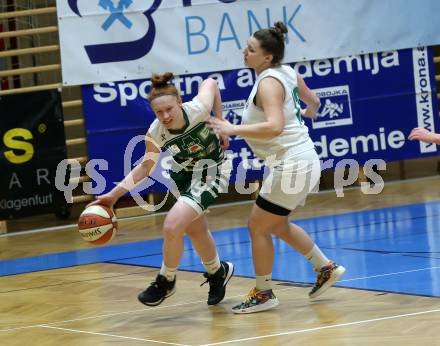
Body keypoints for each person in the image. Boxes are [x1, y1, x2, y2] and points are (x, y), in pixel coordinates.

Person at [209, 22, 345, 314]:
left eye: (251, 49)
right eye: (246, 46)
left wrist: (233, 128)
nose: (244, 52)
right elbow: (315, 101)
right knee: (277, 223)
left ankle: (264, 292)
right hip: (303, 158)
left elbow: (274, 126)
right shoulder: (287, 72)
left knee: (257, 225)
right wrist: (307, 114)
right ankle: (325, 267)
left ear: (267, 57)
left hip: (292, 163)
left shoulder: (269, 82)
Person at [91, 72, 234, 307]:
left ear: (179, 103)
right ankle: (217, 272)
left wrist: (221, 125)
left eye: (170, 109)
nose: (165, 116)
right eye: (159, 112)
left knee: (171, 225)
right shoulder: (156, 131)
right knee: (196, 230)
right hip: (183, 174)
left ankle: (166, 280)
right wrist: (113, 196)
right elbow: (146, 167)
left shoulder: (198, 108)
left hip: (213, 171)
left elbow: (212, 83)